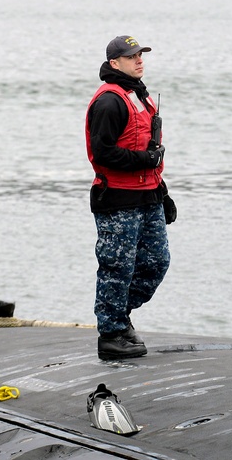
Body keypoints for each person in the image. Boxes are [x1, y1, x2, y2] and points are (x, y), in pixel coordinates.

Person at [85, 36, 173, 360]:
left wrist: (162, 192)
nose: (139, 60)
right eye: (131, 56)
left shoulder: (139, 96)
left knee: (156, 263)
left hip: (147, 195)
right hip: (117, 198)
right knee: (116, 267)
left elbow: (148, 151)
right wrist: (144, 162)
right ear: (114, 63)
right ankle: (110, 334)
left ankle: (119, 318)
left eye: (140, 55)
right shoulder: (110, 101)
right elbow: (103, 153)